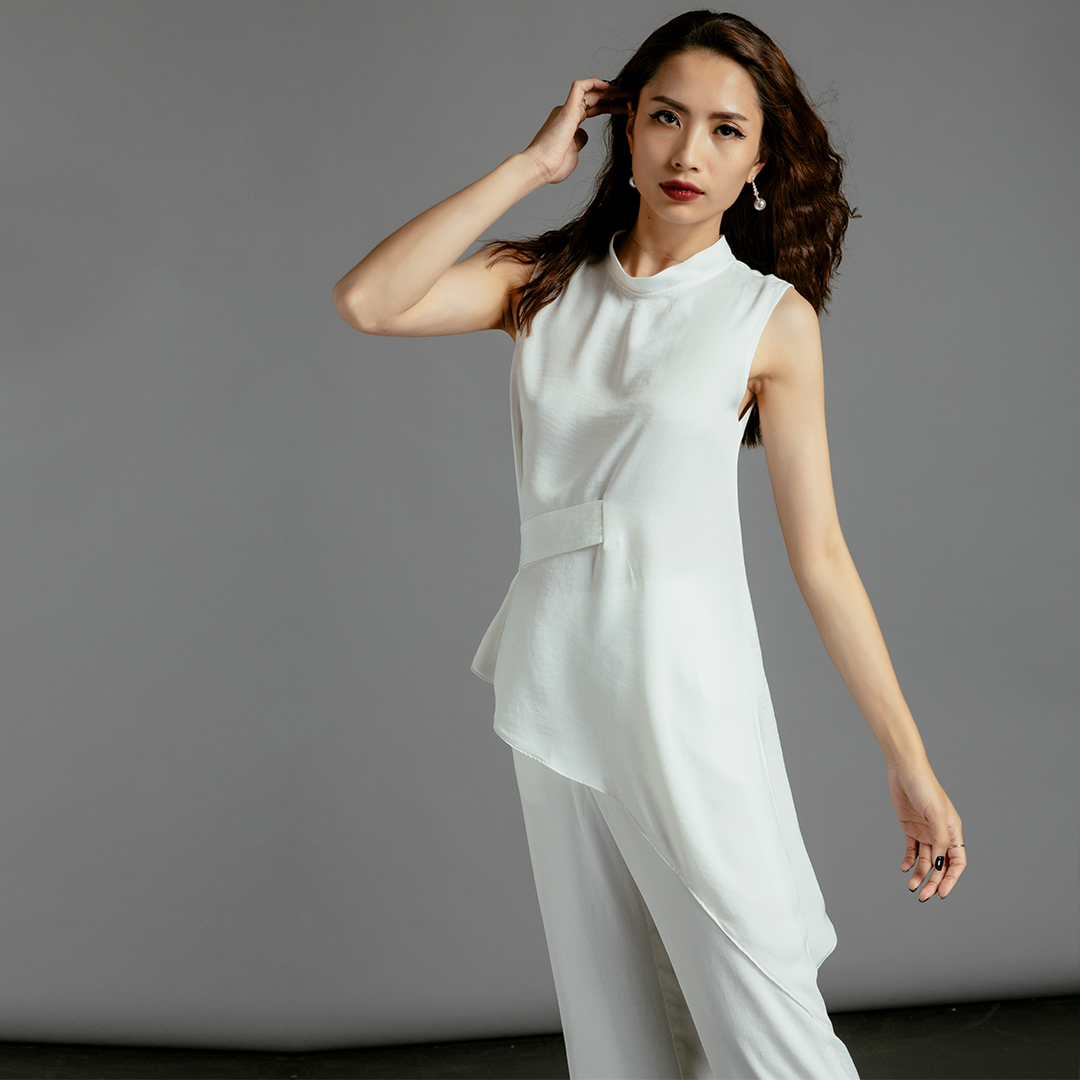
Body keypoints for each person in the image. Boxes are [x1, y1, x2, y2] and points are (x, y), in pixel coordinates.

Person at [333, 9, 966, 1078]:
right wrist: (531, 166)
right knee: (620, 1026)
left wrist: (910, 764)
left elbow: (820, 556)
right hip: (555, 678)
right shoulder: (540, 282)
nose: (689, 152)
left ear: (759, 163)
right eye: (666, 117)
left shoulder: (769, 317)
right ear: (624, 129)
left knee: (762, 1007)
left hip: (685, 686)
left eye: (726, 130)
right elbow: (368, 301)